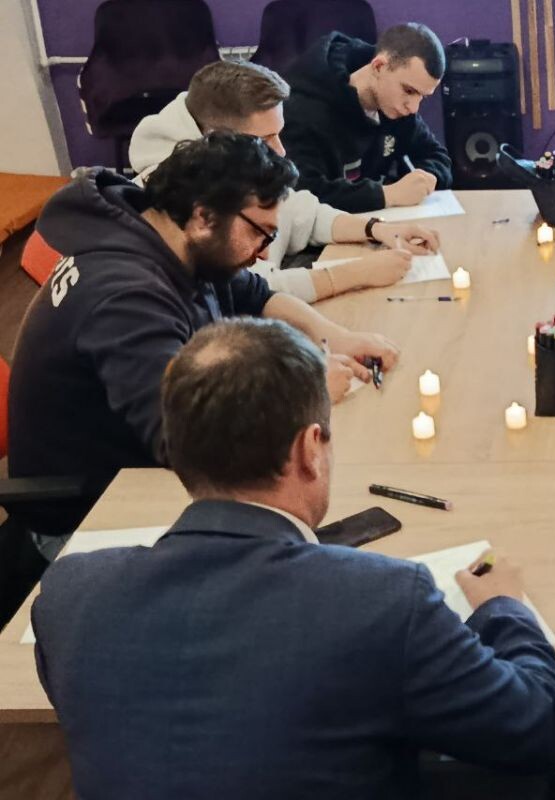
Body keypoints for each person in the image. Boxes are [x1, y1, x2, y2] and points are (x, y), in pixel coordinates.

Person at [31, 318, 555, 798]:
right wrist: (504, 608)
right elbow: (534, 730)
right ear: (310, 448)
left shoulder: (69, 593)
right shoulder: (383, 600)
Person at [5, 132, 399, 582]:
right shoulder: (126, 299)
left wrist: (338, 336)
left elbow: (255, 294)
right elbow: (185, 440)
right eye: (259, 233)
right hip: (92, 514)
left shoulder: (166, 239)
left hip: (139, 468)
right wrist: (304, 392)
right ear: (202, 216)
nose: (264, 252)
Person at [130, 60, 442, 304]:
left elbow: (304, 212)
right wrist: (359, 273)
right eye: (266, 139)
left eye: (279, 134)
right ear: (220, 141)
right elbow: (254, 289)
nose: (280, 151)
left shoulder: (231, 165)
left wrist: (377, 229)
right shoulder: (183, 196)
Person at [282, 23, 453, 213]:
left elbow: (438, 157)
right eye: (409, 91)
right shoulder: (303, 109)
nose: (413, 108)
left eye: (422, 96)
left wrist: (420, 181)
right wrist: (387, 195)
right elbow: (303, 195)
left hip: (379, 222)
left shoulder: (396, 106)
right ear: (379, 67)